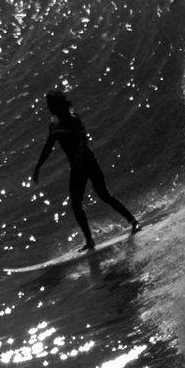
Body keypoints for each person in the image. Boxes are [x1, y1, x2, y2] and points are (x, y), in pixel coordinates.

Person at [32, 90, 140, 251]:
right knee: (76, 204)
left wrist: (79, 155)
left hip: (88, 162)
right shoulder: (53, 125)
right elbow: (48, 146)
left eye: (49, 104)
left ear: (57, 105)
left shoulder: (73, 119)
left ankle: (134, 222)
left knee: (104, 195)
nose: (47, 108)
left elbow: (84, 137)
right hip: (76, 168)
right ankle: (90, 241)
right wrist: (38, 165)